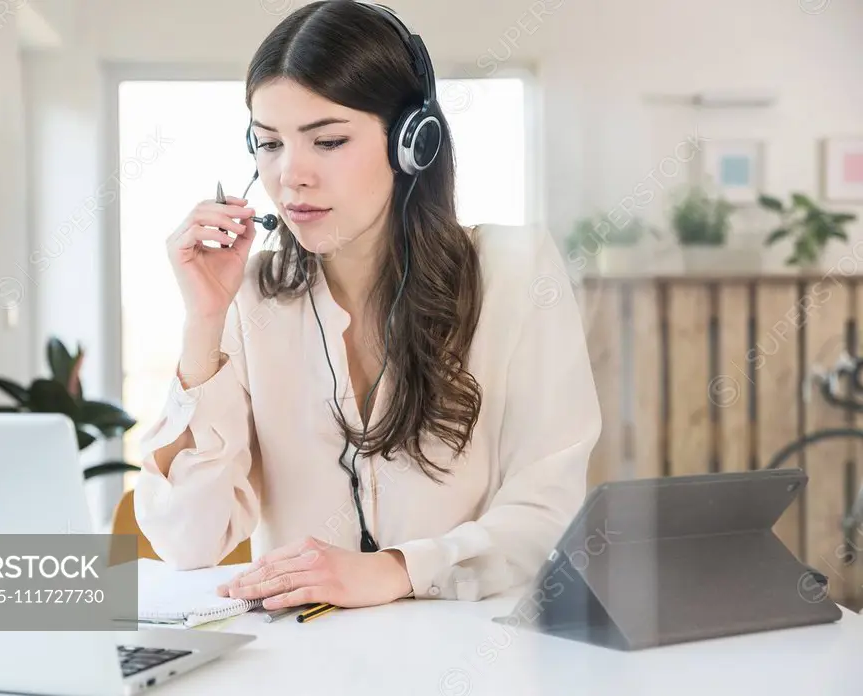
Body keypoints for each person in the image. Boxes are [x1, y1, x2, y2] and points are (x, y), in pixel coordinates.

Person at [134, 0, 602, 611]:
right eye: (268, 143)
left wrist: (398, 570)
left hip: (473, 654)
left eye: (327, 140)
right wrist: (204, 324)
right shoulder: (250, 298)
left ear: (414, 143)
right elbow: (188, 542)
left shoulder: (514, 271)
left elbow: (547, 513)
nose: (290, 175)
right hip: (302, 661)